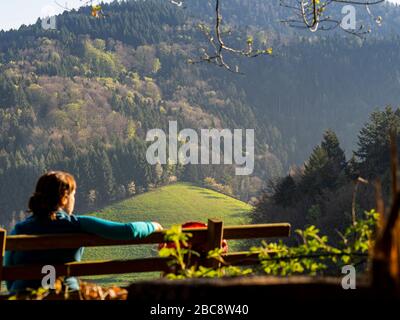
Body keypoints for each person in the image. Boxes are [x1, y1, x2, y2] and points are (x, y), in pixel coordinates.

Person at [4, 171, 163, 293]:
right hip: (67, 294)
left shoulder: (20, 229)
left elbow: (10, 278)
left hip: (25, 295)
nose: (74, 199)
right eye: (73, 195)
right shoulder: (76, 224)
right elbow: (129, 231)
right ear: (64, 198)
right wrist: (154, 225)